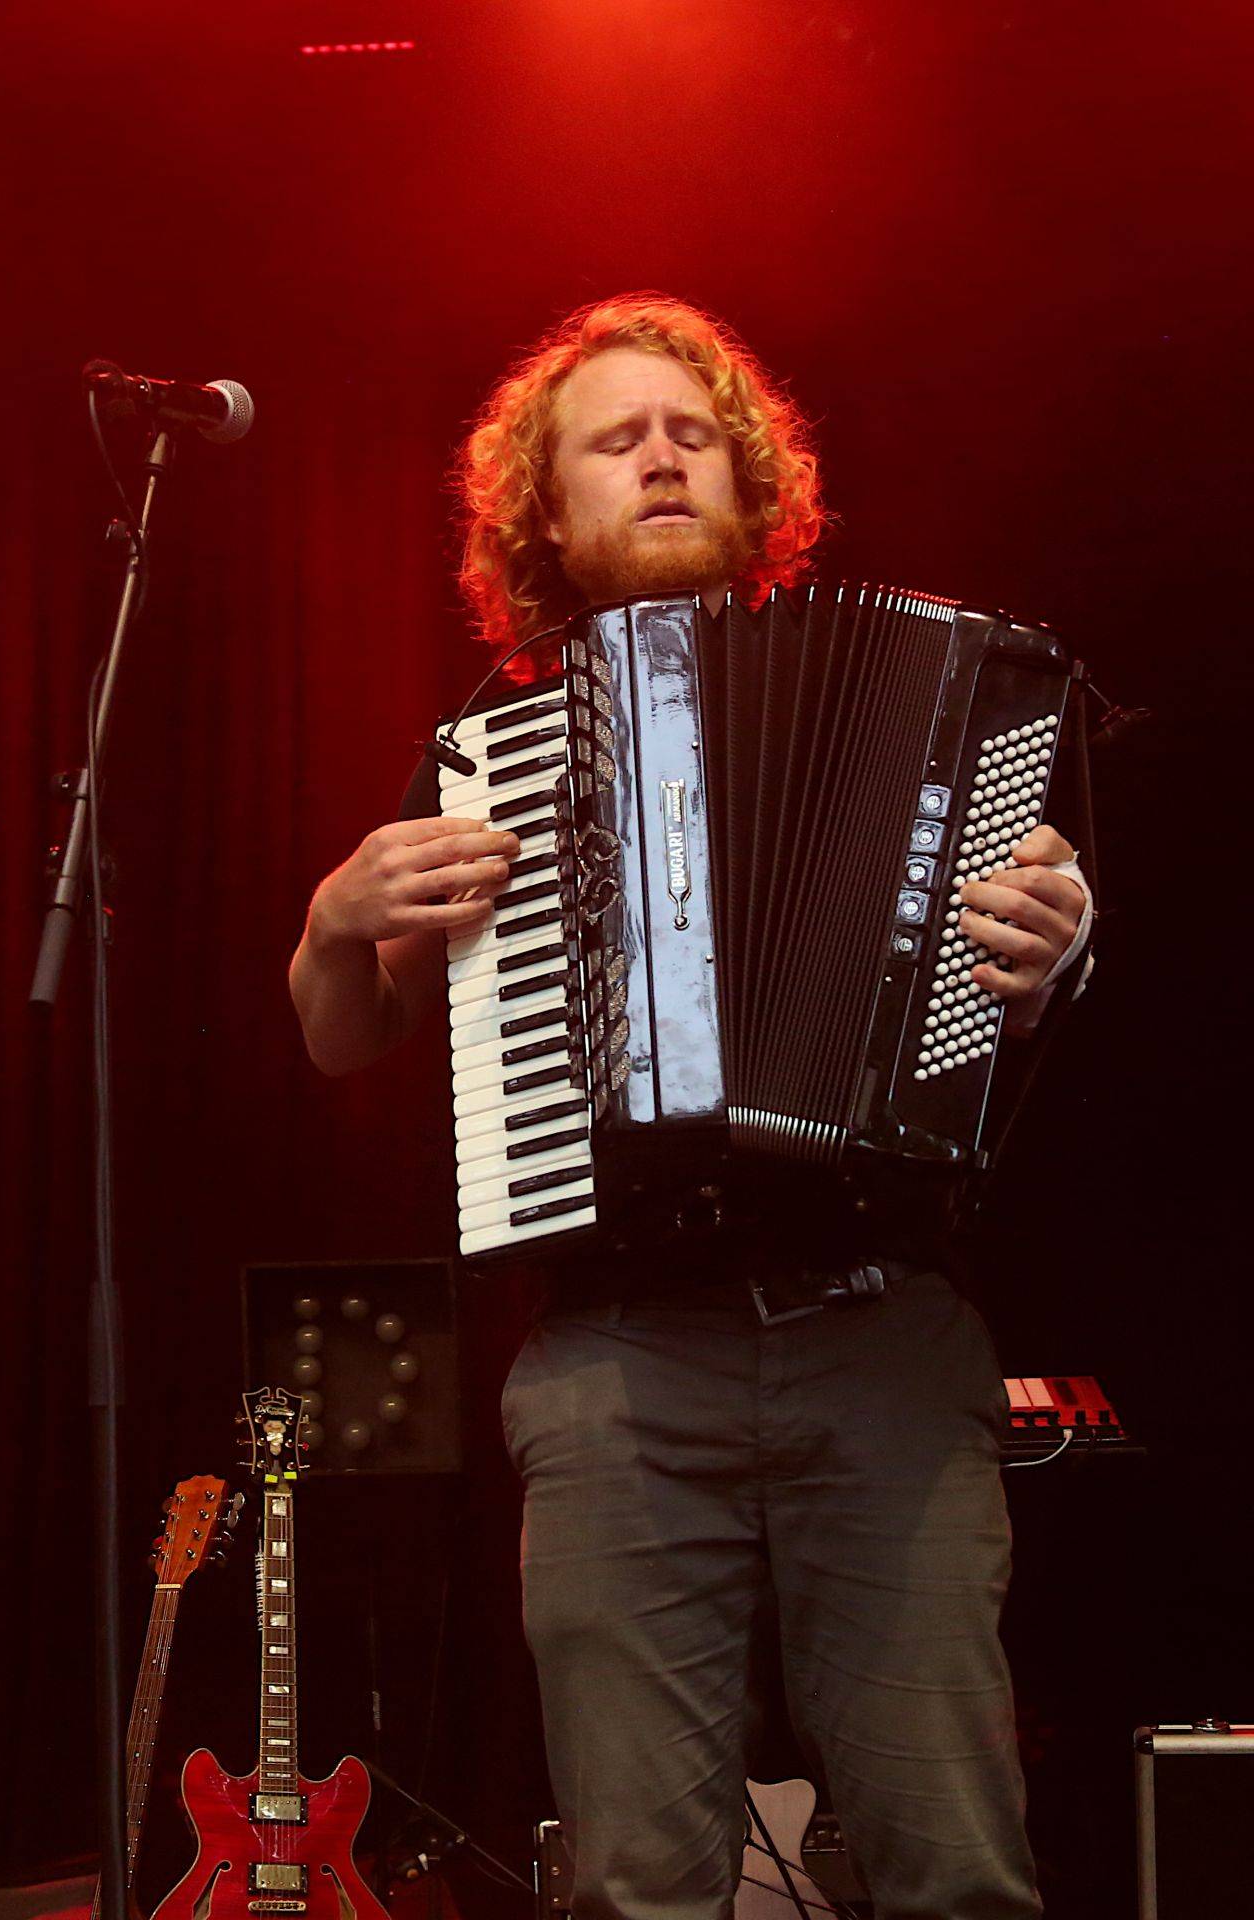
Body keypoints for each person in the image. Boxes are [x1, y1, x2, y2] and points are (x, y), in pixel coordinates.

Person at [290, 295, 1092, 1920]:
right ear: (548, 513)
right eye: (617, 440)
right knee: (640, 1884)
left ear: (750, 478)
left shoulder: (938, 695)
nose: (662, 458)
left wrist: (1055, 944)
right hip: (619, 1366)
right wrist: (331, 924)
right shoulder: (489, 758)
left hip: (882, 1340)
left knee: (957, 1868)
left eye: (693, 433)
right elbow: (343, 1035)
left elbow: (1027, 963)